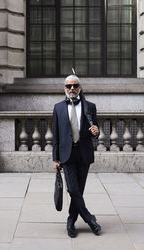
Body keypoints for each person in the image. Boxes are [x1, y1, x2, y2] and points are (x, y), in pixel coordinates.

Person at [52, 74, 101, 238]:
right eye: (68, 86)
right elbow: (56, 136)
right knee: (72, 189)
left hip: (84, 154)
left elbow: (95, 130)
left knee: (78, 191)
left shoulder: (90, 107)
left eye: (75, 86)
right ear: (64, 89)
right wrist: (55, 158)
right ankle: (89, 218)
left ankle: (71, 221)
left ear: (79, 87)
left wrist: (96, 132)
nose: (72, 89)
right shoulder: (58, 108)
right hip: (67, 155)